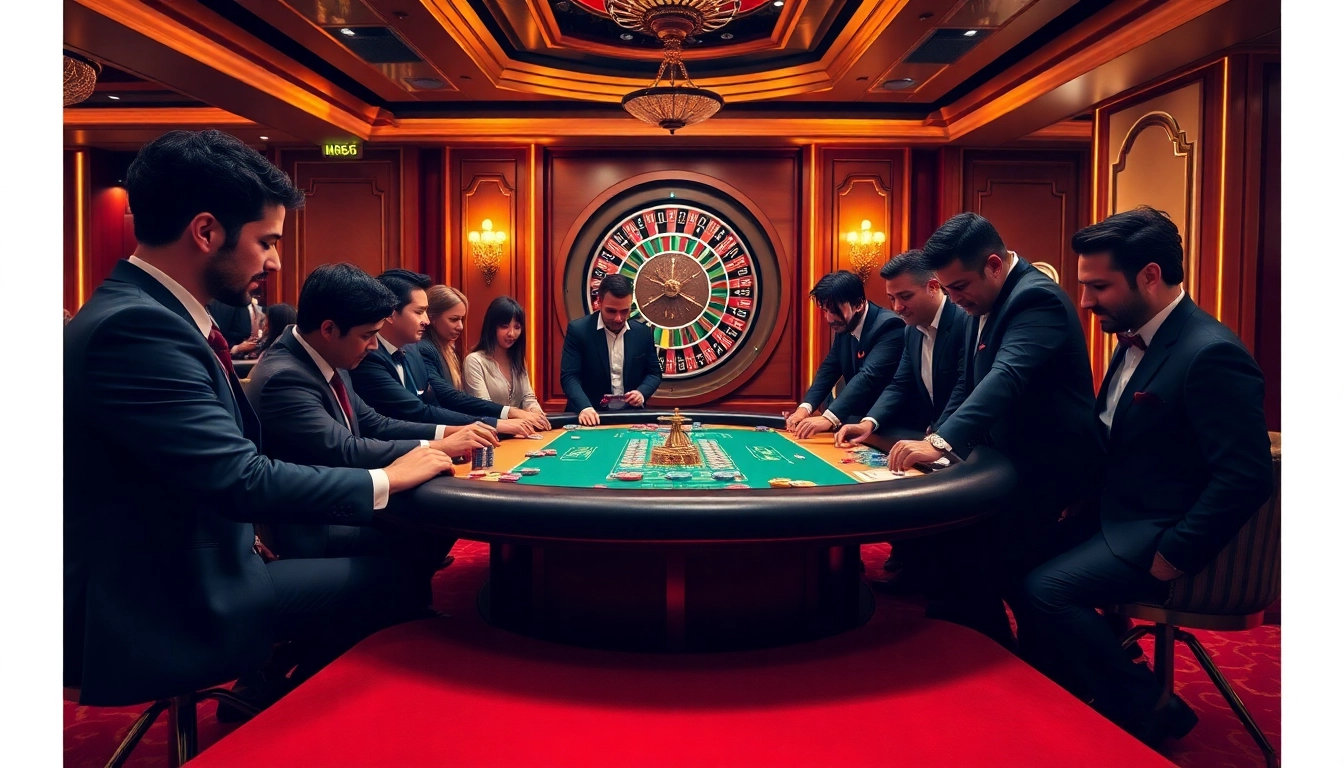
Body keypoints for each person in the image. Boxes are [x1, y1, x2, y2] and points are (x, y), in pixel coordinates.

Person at [64, 129, 455, 717]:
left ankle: (277, 699)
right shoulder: (139, 329)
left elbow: (192, 472)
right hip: (163, 590)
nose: (275, 261)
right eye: (267, 241)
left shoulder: (147, 311)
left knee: (391, 561)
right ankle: (284, 722)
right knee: (395, 580)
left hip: (200, 554)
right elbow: (240, 477)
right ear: (205, 231)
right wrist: (389, 479)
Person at [1019, 206, 1274, 746]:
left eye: (1098, 287)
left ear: (1150, 276)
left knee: (1046, 591)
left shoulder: (1212, 354)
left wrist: (1177, 552)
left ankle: (1153, 709)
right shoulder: (1137, 332)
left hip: (1160, 528)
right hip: (1117, 512)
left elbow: (1246, 475)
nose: (1084, 302)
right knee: (1012, 550)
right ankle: (1064, 691)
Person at [887, 212, 1102, 650]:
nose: (954, 298)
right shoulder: (979, 304)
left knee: (1017, 575)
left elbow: (1006, 377)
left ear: (994, 264)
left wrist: (939, 443)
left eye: (960, 286)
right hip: (1005, 461)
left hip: (1049, 471)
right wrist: (939, 442)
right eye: (947, 289)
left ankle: (1076, 671)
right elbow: (967, 382)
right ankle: (987, 649)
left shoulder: (1034, 298)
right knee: (958, 553)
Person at [245, 264, 499, 600]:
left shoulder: (328, 355)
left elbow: (375, 422)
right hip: (314, 527)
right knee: (426, 531)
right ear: (329, 329)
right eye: (368, 336)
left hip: (346, 505)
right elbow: (345, 449)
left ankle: (402, 609)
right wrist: (426, 453)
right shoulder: (284, 376)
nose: (374, 347)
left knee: (433, 525)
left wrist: (448, 436)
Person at [832, 251, 970, 582]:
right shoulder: (910, 328)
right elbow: (900, 382)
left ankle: (935, 582)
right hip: (936, 432)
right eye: (892, 298)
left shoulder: (965, 321)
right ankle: (915, 568)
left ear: (934, 287)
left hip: (965, 436)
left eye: (905, 296)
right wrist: (869, 422)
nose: (896, 307)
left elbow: (966, 387)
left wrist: (937, 438)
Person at [349, 269, 545, 437]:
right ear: (391, 314)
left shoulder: (413, 352)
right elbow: (419, 412)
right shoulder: (369, 358)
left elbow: (439, 406)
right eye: (419, 312)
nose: (426, 320)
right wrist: (491, 423)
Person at [788, 270, 905, 439]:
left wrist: (829, 418)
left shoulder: (890, 327)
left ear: (858, 304)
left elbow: (869, 376)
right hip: (857, 423)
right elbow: (829, 370)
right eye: (825, 310)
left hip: (891, 427)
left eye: (835, 310)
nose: (829, 318)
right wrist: (804, 409)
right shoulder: (845, 327)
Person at [559, 273, 662, 426]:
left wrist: (641, 392)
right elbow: (569, 376)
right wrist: (585, 407)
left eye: (624, 311)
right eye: (611, 311)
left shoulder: (643, 333)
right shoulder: (578, 330)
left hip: (630, 418)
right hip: (589, 417)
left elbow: (654, 373)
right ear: (599, 302)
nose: (618, 318)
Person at [463, 296, 547, 415]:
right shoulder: (474, 361)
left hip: (521, 429)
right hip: (489, 430)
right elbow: (484, 407)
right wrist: (520, 415)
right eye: (504, 326)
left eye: (517, 327)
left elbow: (528, 398)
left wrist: (536, 411)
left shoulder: (518, 360)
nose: (511, 333)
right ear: (492, 326)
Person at [418, 284, 470, 397]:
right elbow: (447, 397)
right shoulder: (425, 349)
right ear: (431, 318)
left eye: (462, 319)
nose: (460, 326)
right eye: (454, 319)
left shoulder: (450, 350)